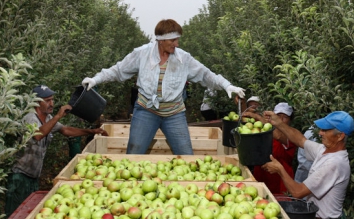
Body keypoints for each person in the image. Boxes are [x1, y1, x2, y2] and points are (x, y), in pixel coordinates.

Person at [81, 19, 245, 154]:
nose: (177, 44)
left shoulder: (184, 59)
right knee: (134, 154)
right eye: (173, 40)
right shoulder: (142, 54)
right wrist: (96, 79)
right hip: (146, 111)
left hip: (174, 114)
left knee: (186, 155)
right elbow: (118, 70)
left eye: (177, 40)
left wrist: (227, 86)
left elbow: (206, 74)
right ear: (160, 40)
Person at [247, 109, 354, 219]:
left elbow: (297, 192)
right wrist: (278, 123)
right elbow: (300, 140)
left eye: (325, 130)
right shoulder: (325, 150)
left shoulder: (335, 163)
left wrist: (279, 169)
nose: (321, 133)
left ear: (340, 136)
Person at [5, 85, 108, 217]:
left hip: (33, 175)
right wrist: (58, 116)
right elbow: (37, 135)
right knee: (13, 215)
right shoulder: (30, 118)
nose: (51, 103)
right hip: (20, 175)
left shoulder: (48, 118)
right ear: (36, 102)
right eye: (47, 100)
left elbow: (65, 130)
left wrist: (91, 131)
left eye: (52, 100)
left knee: (28, 214)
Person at [248, 102, 297, 195]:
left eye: (285, 117)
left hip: (280, 185)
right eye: (278, 116)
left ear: (290, 120)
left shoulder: (292, 135)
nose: (281, 120)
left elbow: (278, 136)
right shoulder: (262, 131)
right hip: (261, 180)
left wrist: (260, 119)